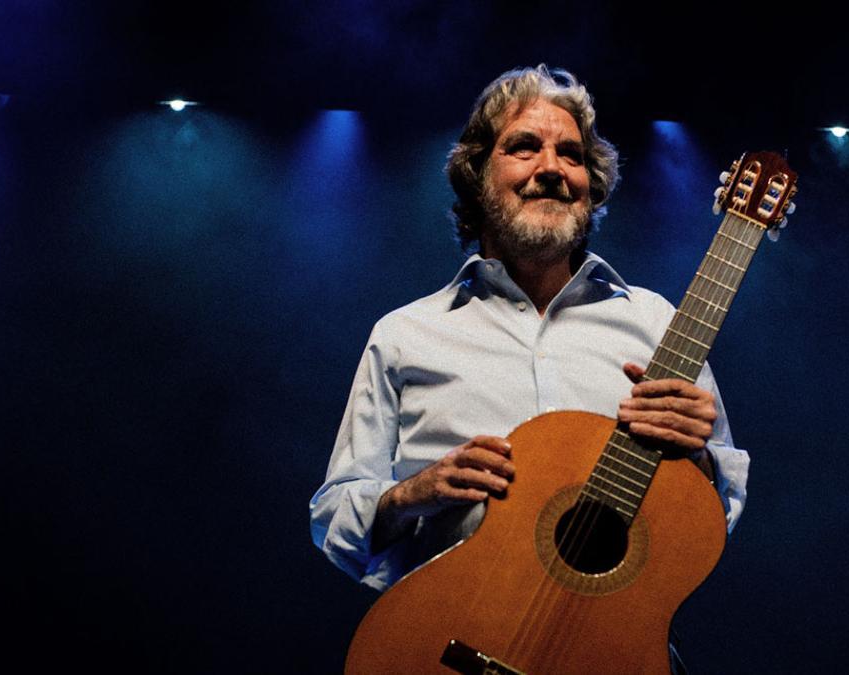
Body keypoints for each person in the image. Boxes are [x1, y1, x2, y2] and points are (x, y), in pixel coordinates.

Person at [310, 65, 749, 595]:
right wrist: (410, 495)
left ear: (593, 187)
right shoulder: (405, 335)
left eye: (572, 154)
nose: (552, 168)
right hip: (451, 640)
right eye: (523, 147)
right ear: (476, 178)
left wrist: (697, 457)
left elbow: (719, 512)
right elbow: (334, 518)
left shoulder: (659, 324)